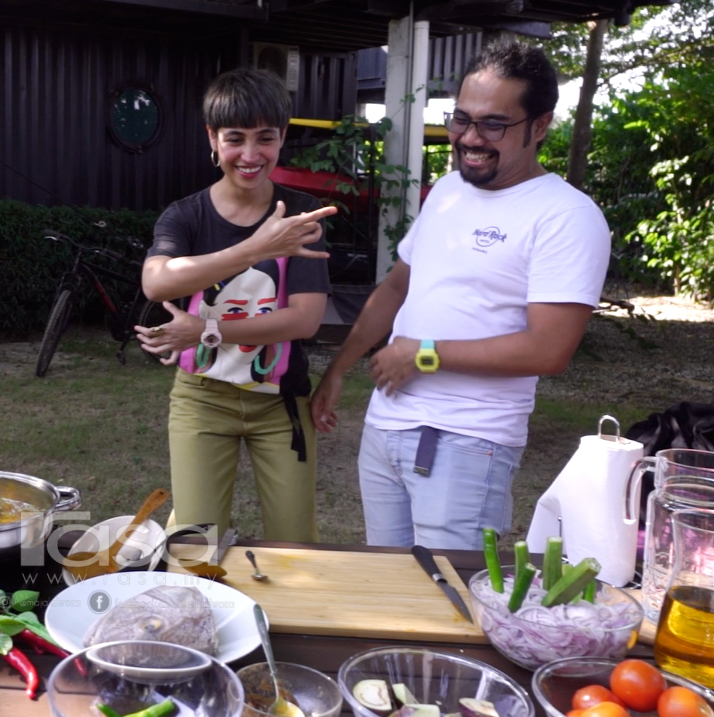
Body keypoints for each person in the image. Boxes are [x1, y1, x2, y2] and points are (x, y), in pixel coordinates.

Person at [311, 41, 611, 550]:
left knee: (449, 601)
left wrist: (426, 354)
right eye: (461, 119)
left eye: (494, 124)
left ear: (540, 126)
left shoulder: (567, 216)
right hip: (386, 429)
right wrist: (339, 368)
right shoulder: (448, 191)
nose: (470, 138)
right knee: (387, 589)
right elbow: (397, 286)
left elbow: (549, 349)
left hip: (469, 443)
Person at [136, 67, 336, 542]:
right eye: (235, 139)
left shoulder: (299, 216)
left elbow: (304, 321)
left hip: (281, 404)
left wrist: (206, 331)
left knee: (295, 546)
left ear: (283, 138)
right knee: (195, 544)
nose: (250, 156)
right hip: (202, 400)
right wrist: (253, 250)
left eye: (265, 139)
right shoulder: (186, 214)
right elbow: (156, 283)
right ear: (212, 138)